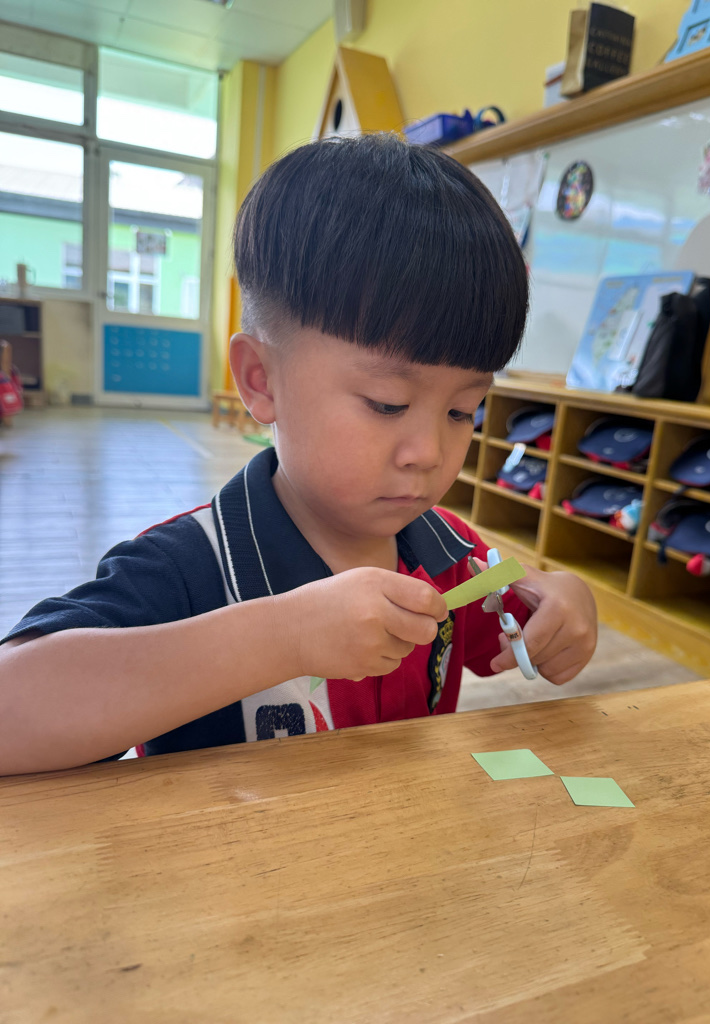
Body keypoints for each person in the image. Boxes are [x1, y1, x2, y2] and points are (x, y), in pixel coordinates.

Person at [0, 135, 597, 774]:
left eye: (462, 411)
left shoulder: (447, 553)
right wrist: (285, 636)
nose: (428, 453)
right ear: (262, 380)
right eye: (387, 404)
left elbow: (524, 612)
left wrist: (566, 603)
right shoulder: (189, 567)